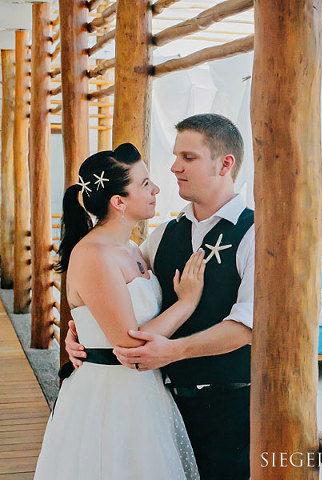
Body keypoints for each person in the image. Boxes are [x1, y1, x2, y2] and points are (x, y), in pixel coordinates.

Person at [66, 114, 254, 479]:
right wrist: (83, 334)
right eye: (175, 156)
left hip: (229, 408)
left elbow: (248, 325)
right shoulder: (163, 234)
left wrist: (175, 350)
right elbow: (110, 296)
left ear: (225, 164)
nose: (174, 167)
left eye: (188, 157)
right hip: (160, 404)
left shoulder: (255, 235)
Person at [35, 144, 203, 479]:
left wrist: (78, 329)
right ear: (118, 202)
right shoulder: (95, 255)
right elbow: (130, 342)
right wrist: (187, 302)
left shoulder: (129, 248)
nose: (155, 189)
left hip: (143, 390)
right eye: (144, 184)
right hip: (109, 397)